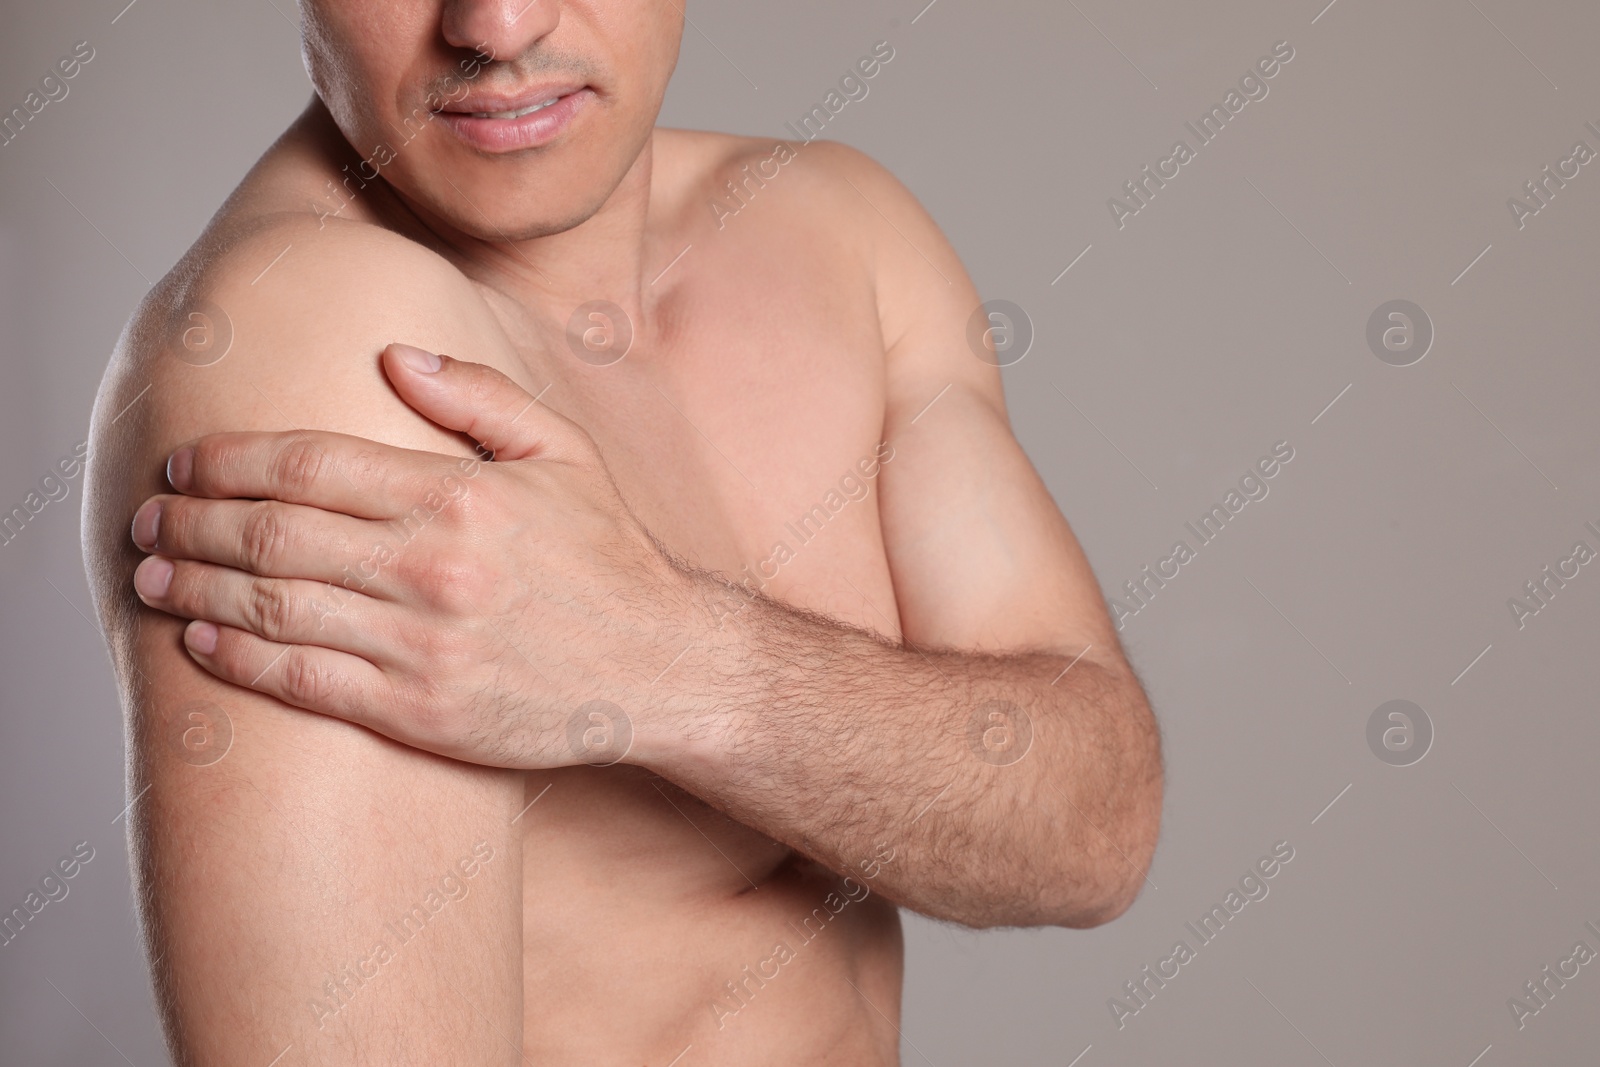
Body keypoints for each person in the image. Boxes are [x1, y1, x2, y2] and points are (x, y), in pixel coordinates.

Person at [83, 3, 1162, 1063]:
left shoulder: (843, 231)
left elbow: (1091, 827)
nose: (497, 29)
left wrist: (669, 658)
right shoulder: (312, 339)